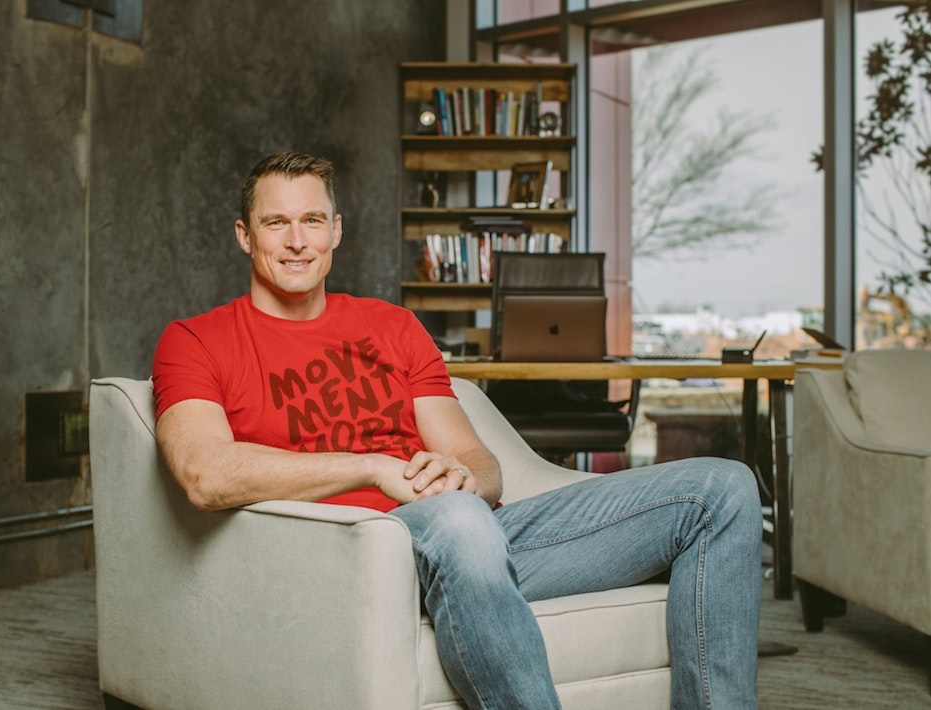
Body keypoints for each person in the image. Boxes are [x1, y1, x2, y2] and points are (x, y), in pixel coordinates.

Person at [151, 151, 762, 709]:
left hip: (462, 540)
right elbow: (205, 474)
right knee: (460, 518)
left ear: (336, 231)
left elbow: (478, 461)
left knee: (722, 488)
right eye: (275, 223)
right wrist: (371, 468)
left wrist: (465, 475)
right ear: (244, 235)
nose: (296, 242)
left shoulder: (392, 327)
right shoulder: (198, 340)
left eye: (312, 220)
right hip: (338, 550)